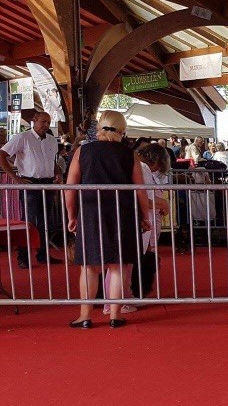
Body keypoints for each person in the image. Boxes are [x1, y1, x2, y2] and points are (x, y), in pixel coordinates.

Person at [66, 111, 151, 329]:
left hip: (91, 212)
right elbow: (140, 190)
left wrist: (71, 215)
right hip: (123, 213)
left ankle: (85, 316)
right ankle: (115, 315)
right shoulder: (130, 154)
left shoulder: (82, 151)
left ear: (98, 128)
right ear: (123, 131)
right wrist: (145, 216)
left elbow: (70, 187)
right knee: (118, 266)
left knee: (89, 267)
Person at [0, 110, 62, 268]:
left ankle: (42, 254)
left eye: (48, 122)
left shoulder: (51, 140)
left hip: (47, 183)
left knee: (45, 221)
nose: (46, 125)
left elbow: (52, 161)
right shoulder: (22, 137)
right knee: (29, 221)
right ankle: (23, 256)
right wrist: (15, 177)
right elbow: (2, 155)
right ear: (34, 120)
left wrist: (57, 172)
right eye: (43, 122)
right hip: (30, 182)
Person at [131, 143, 172, 300]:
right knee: (142, 256)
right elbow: (144, 199)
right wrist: (164, 204)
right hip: (144, 220)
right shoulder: (143, 169)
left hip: (147, 219)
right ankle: (137, 291)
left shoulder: (141, 168)